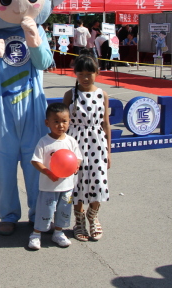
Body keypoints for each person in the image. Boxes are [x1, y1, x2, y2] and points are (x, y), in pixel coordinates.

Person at [63, 51, 111, 242]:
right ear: (75, 74)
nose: (85, 78)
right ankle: (79, 219)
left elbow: (106, 124)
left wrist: (109, 152)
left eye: (89, 73)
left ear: (97, 72)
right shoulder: (70, 94)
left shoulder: (102, 94)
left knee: (98, 180)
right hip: (75, 143)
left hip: (97, 143)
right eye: (81, 73)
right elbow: (63, 122)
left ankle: (93, 215)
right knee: (78, 183)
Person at [28, 102, 82, 250]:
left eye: (64, 121)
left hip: (67, 186)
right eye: (56, 121)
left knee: (64, 210)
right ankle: (36, 234)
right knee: (45, 210)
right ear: (47, 123)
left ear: (69, 121)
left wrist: (76, 165)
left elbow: (77, 158)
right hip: (48, 186)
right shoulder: (44, 142)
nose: (60, 125)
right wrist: (48, 172)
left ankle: (58, 232)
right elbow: (35, 161)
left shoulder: (71, 141)